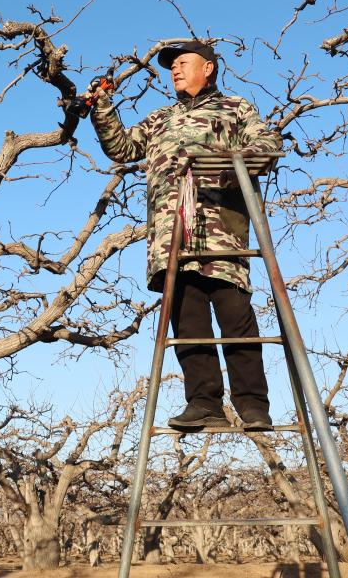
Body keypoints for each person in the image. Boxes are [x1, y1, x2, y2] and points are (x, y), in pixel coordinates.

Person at [87, 40, 281, 430]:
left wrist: (226, 165)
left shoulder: (234, 108)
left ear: (208, 68)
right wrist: (102, 107)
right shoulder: (160, 117)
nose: (174, 69)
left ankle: (253, 406)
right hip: (171, 239)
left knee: (236, 319)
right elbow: (122, 148)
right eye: (171, 65)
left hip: (221, 233)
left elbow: (267, 145)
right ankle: (204, 403)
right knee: (188, 323)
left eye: (182, 62)